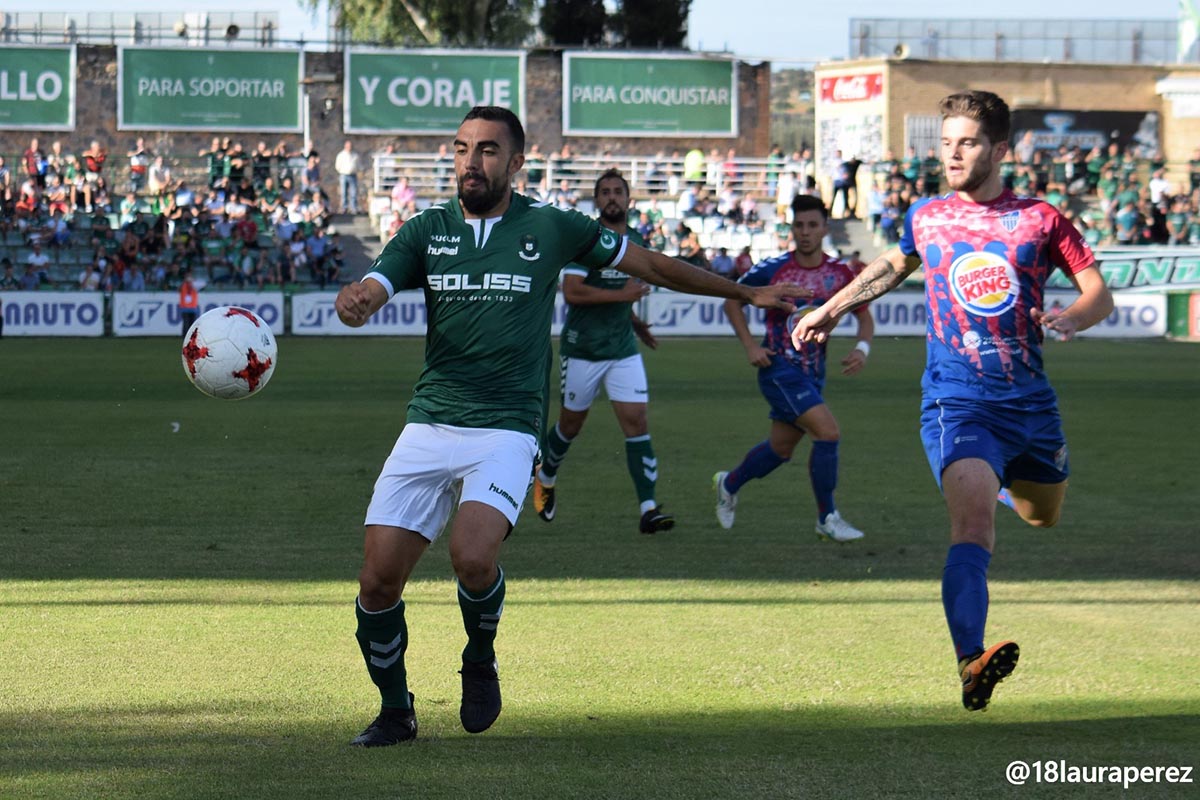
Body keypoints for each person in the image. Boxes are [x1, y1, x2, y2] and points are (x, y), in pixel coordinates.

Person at [333, 105, 806, 748]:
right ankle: (396, 711)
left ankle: (480, 652)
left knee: (472, 557)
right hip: (430, 420)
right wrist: (359, 297)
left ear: (517, 162)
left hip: (507, 423)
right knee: (376, 581)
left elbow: (653, 265)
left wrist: (741, 292)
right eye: (462, 148)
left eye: (489, 150)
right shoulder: (426, 229)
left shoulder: (552, 227)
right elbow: (377, 282)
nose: (472, 161)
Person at [792, 90, 1114, 712]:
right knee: (972, 529)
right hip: (957, 401)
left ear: (999, 149)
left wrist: (1074, 317)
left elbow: (1098, 292)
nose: (953, 154)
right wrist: (831, 311)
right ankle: (972, 661)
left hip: (1031, 405)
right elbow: (888, 267)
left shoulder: (1041, 220)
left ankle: (1001, 480)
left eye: (966, 143)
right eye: (945, 143)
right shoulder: (928, 215)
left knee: (1040, 514)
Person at [713, 194, 874, 543]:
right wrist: (750, 346)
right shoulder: (773, 270)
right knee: (828, 433)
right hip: (779, 369)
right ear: (791, 228)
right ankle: (826, 517)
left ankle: (729, 483)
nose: (805, 232)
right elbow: (732, 302)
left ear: (824, 229)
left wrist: (862, 349)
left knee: (780, 450)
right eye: (799, 225)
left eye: (812, 225)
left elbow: (865, 318)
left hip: (813, 374)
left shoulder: (840, 273)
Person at [531, 169, 671, 535]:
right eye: (605, 192)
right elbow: (573, 291)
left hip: (622, 348)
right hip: (583, 348)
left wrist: (636, 324)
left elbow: (627, 293)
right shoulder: (586, 239)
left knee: (637, 423)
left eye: (618, 192)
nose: (612, 198)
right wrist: (624, 297)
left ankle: (648, 508)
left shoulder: (637, 240)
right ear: (597, 201)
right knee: (570, 425)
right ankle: (545, 475)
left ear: (629, 199)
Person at [334, 140, 360, 214]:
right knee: (343, 192)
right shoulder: (341, 155)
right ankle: (344, 208)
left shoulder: (355, 155)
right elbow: (337, 166)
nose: (349, 147)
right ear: (345, 146)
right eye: (348, 146)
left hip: (353, 175)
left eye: (350, 146)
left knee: (353, 192)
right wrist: (342, 171)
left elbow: (357, 165)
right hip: (343, 175)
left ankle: (353, 208)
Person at [179, 267, 199, 336]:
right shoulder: (183, 285)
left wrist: (192, 282)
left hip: (192, 307)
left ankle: (191, 336)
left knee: (192, 324)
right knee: (186, 324)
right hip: (185, 307)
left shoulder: (195, 284)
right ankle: (185, 336)